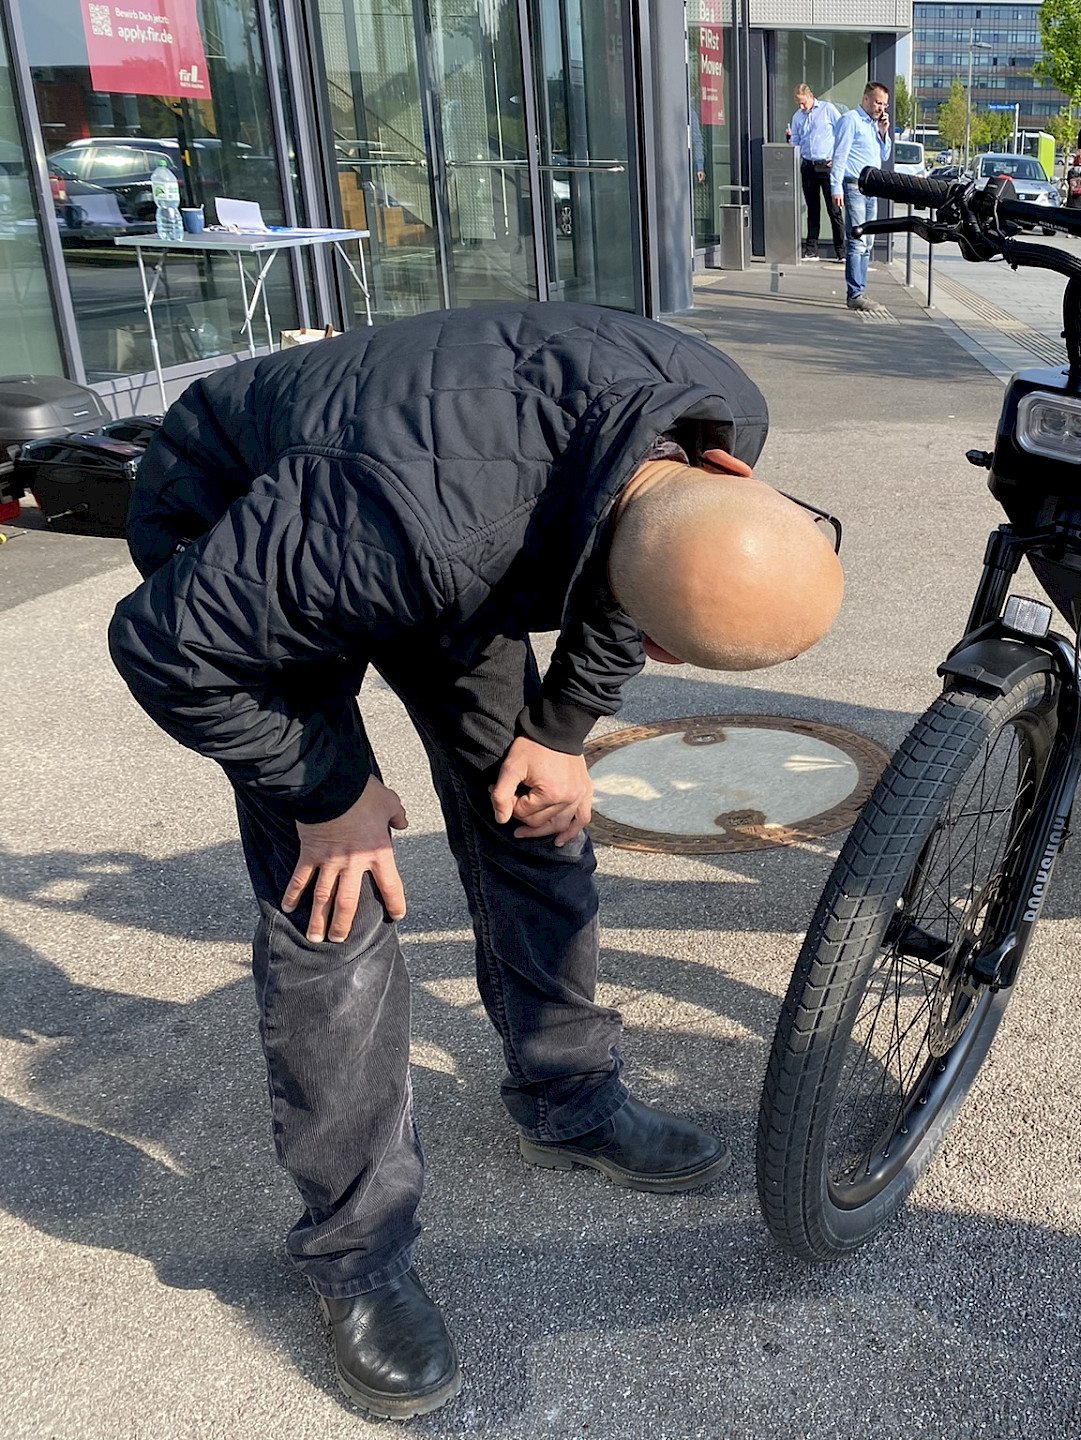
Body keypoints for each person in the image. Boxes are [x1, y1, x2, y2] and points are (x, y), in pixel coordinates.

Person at [106, 302, 844, 1418]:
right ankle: (356, 1257)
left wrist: (562, 729)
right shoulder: (381, 533)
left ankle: (567, 1095)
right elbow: (166, 646)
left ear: (736, 472)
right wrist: (327, 796)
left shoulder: (710, 411)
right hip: (245, 540)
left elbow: (632, 560)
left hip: (441, 509)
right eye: (657, 645)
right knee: (336, 902)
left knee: (536, 813)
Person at [829, 79, 893, 312]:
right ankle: (855, 294)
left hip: (871, 188)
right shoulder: (851, 120)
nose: (881, 108)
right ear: (866, 99)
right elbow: (840, 155)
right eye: (878, 103)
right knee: (857, 240)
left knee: (868, 242)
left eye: (884, 104)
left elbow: (884, 155)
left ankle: (860, 290)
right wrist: (836, 188)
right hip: (854, 185)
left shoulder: (875, 125)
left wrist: (884, 133)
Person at [788, 83, 842, 261]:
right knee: (813, 208)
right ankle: (811, 249)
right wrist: (790, 143)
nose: (801, 106)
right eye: (798, 103)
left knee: (833, 209)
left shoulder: (827, 110)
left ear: (810, 96)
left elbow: (842, 132)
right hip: (808, 166)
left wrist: (836, 156)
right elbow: (796, 141)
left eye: (803, 102)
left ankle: (841, 250)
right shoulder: (797, 117)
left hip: (826, 165)